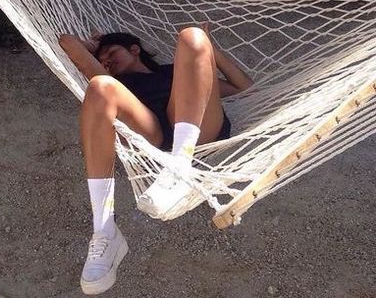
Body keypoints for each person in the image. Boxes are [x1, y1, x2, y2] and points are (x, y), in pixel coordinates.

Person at [58, 25, 253, 296]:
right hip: (154, 135)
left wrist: (211, 49)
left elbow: (243, 87)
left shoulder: (175, 72)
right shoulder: (118, 83)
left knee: (192, 36)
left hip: (201, 129)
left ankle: (179, 165)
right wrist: (93, 46)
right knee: (100, 86)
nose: (107, 61)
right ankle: (105, 230)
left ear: (134, 49)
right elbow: (67, 41)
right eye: (103, 60)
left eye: (112, 53)